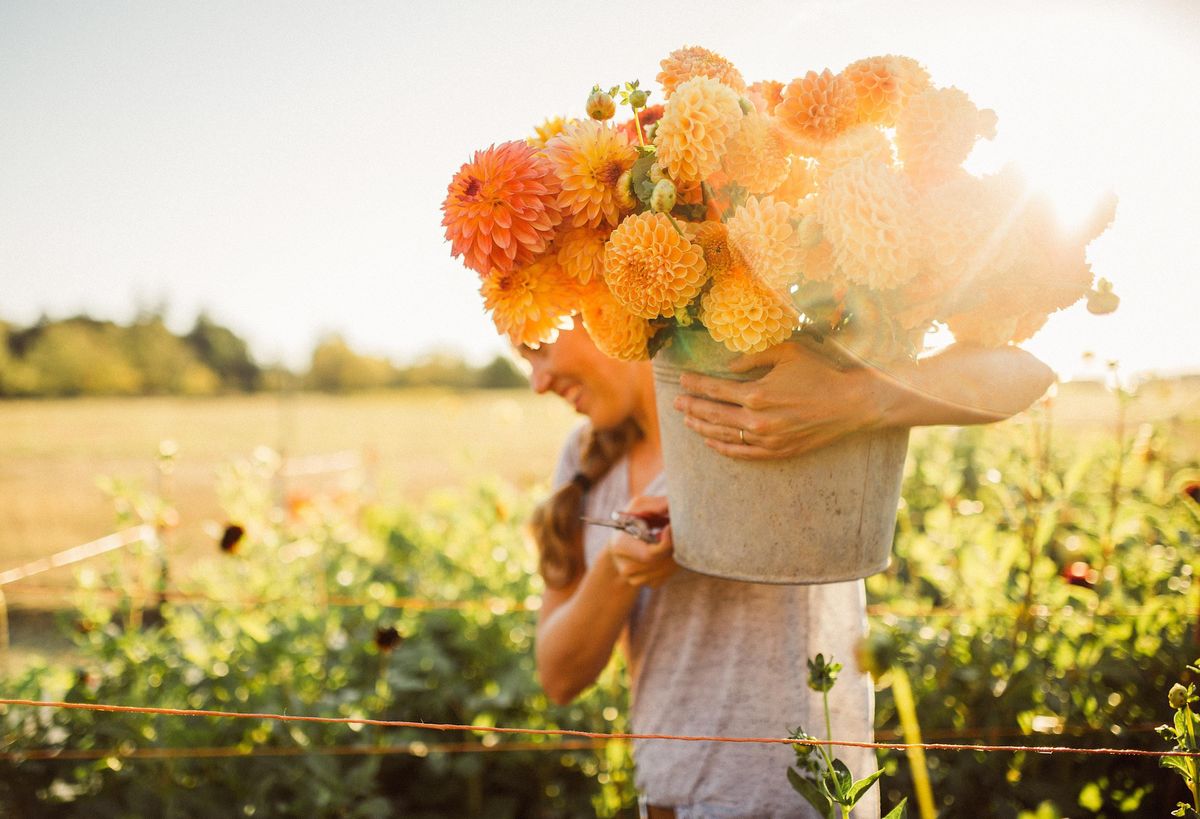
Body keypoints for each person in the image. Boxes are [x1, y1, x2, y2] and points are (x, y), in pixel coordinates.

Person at [522, 319, 1054, 818]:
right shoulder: (585, 460)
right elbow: (559, 676)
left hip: (808, 800)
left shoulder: (768, 399)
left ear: (593, 309)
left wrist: (851, 398)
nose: (537, 382)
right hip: (668, 799)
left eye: (539, 348)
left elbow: (1025, 374)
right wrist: (619, 567)